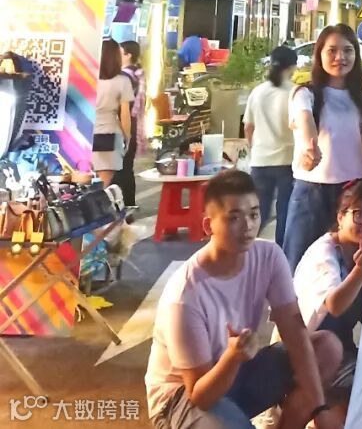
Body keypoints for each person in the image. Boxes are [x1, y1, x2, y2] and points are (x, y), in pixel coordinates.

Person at [145, 170, 345, 429]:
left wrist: (319, 410)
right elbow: (200, 396)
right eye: (234, 218)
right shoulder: (185, 296)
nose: (248, 226)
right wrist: (232, 357)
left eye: (253, 214)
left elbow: (295, 332)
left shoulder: (268, 256)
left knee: (327, 348)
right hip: (181, 397)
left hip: (236, 372)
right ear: (208, 226)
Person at [283, 26, 362, 272]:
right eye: (332, 50)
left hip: (353, 194)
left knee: (349, 266)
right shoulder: (305, 93)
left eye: (348, 51)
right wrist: (310, 148)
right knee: (298, 265)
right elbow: (305, 121)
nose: (340, 57)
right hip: (311, 192)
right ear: (319, 54)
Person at [292, 181, 362, 414]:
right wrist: (360, 273)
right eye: (359, 215)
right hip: (310, 352)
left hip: (343, 349)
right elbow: (334, 305)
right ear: (341, 217)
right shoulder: (324, 254)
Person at [245, 46, 298, 248]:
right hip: (287, 161)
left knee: (257, 212)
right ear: (292, 66)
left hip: (260, 160)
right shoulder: (294, 93)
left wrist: (254, 148)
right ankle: (281, 255)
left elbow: (248, 127)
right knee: (285, 212)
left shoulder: (257, 92)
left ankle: (247, 249)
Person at [94, 39, 133, 188]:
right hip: (110, 135)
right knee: (103, 186)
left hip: (85, 135)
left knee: (83, 185)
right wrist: (127, 138)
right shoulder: (122, 81)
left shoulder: (87, 79)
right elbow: (125, 115)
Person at [116, 40, 146, 208]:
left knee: (120, 169)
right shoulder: (137, 74)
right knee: (127, 168)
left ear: (128, 55)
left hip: (123, 125)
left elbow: (123, 108)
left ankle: (121, 206)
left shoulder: (124, 76)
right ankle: (129, 204)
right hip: (134, 124)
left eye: (120, 53)